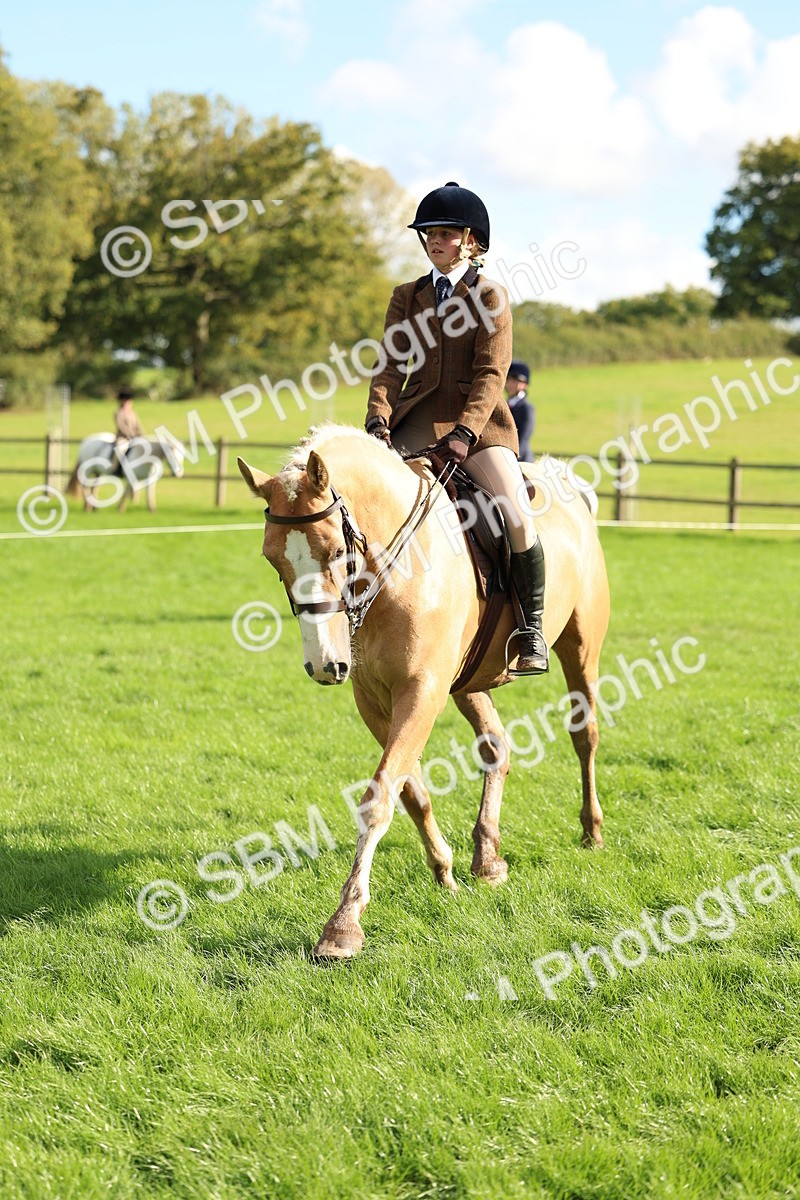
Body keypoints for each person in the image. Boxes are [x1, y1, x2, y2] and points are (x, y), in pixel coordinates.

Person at [364, 182, 548, 674]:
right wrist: (378, 418)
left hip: (480, 430)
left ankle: (530, 630)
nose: (434, 241)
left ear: (471, 241)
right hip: (415, 421)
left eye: (445, 234)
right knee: (364, 500)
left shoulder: (490, 296)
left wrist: (465, 433)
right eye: (429, 234)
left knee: (516, 513)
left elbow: (491, 374)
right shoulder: (407, 296)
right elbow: (389, 366)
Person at [505, 360, 534, 463]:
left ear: (525, 384)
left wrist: (512, 459)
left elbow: (523, 439)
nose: (510, 384)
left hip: (520, 460)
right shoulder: (504, 405)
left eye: (515, 381)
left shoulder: (526, 408)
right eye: (509, 380)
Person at [113, 386, 144, 472]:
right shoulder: (118, 413)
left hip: (134, 437)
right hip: (123, 437)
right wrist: (130, 435)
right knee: (120, 449)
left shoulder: (133, 413)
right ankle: (117, 469)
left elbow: (138, 426)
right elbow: (121, 426)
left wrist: (141, 434)